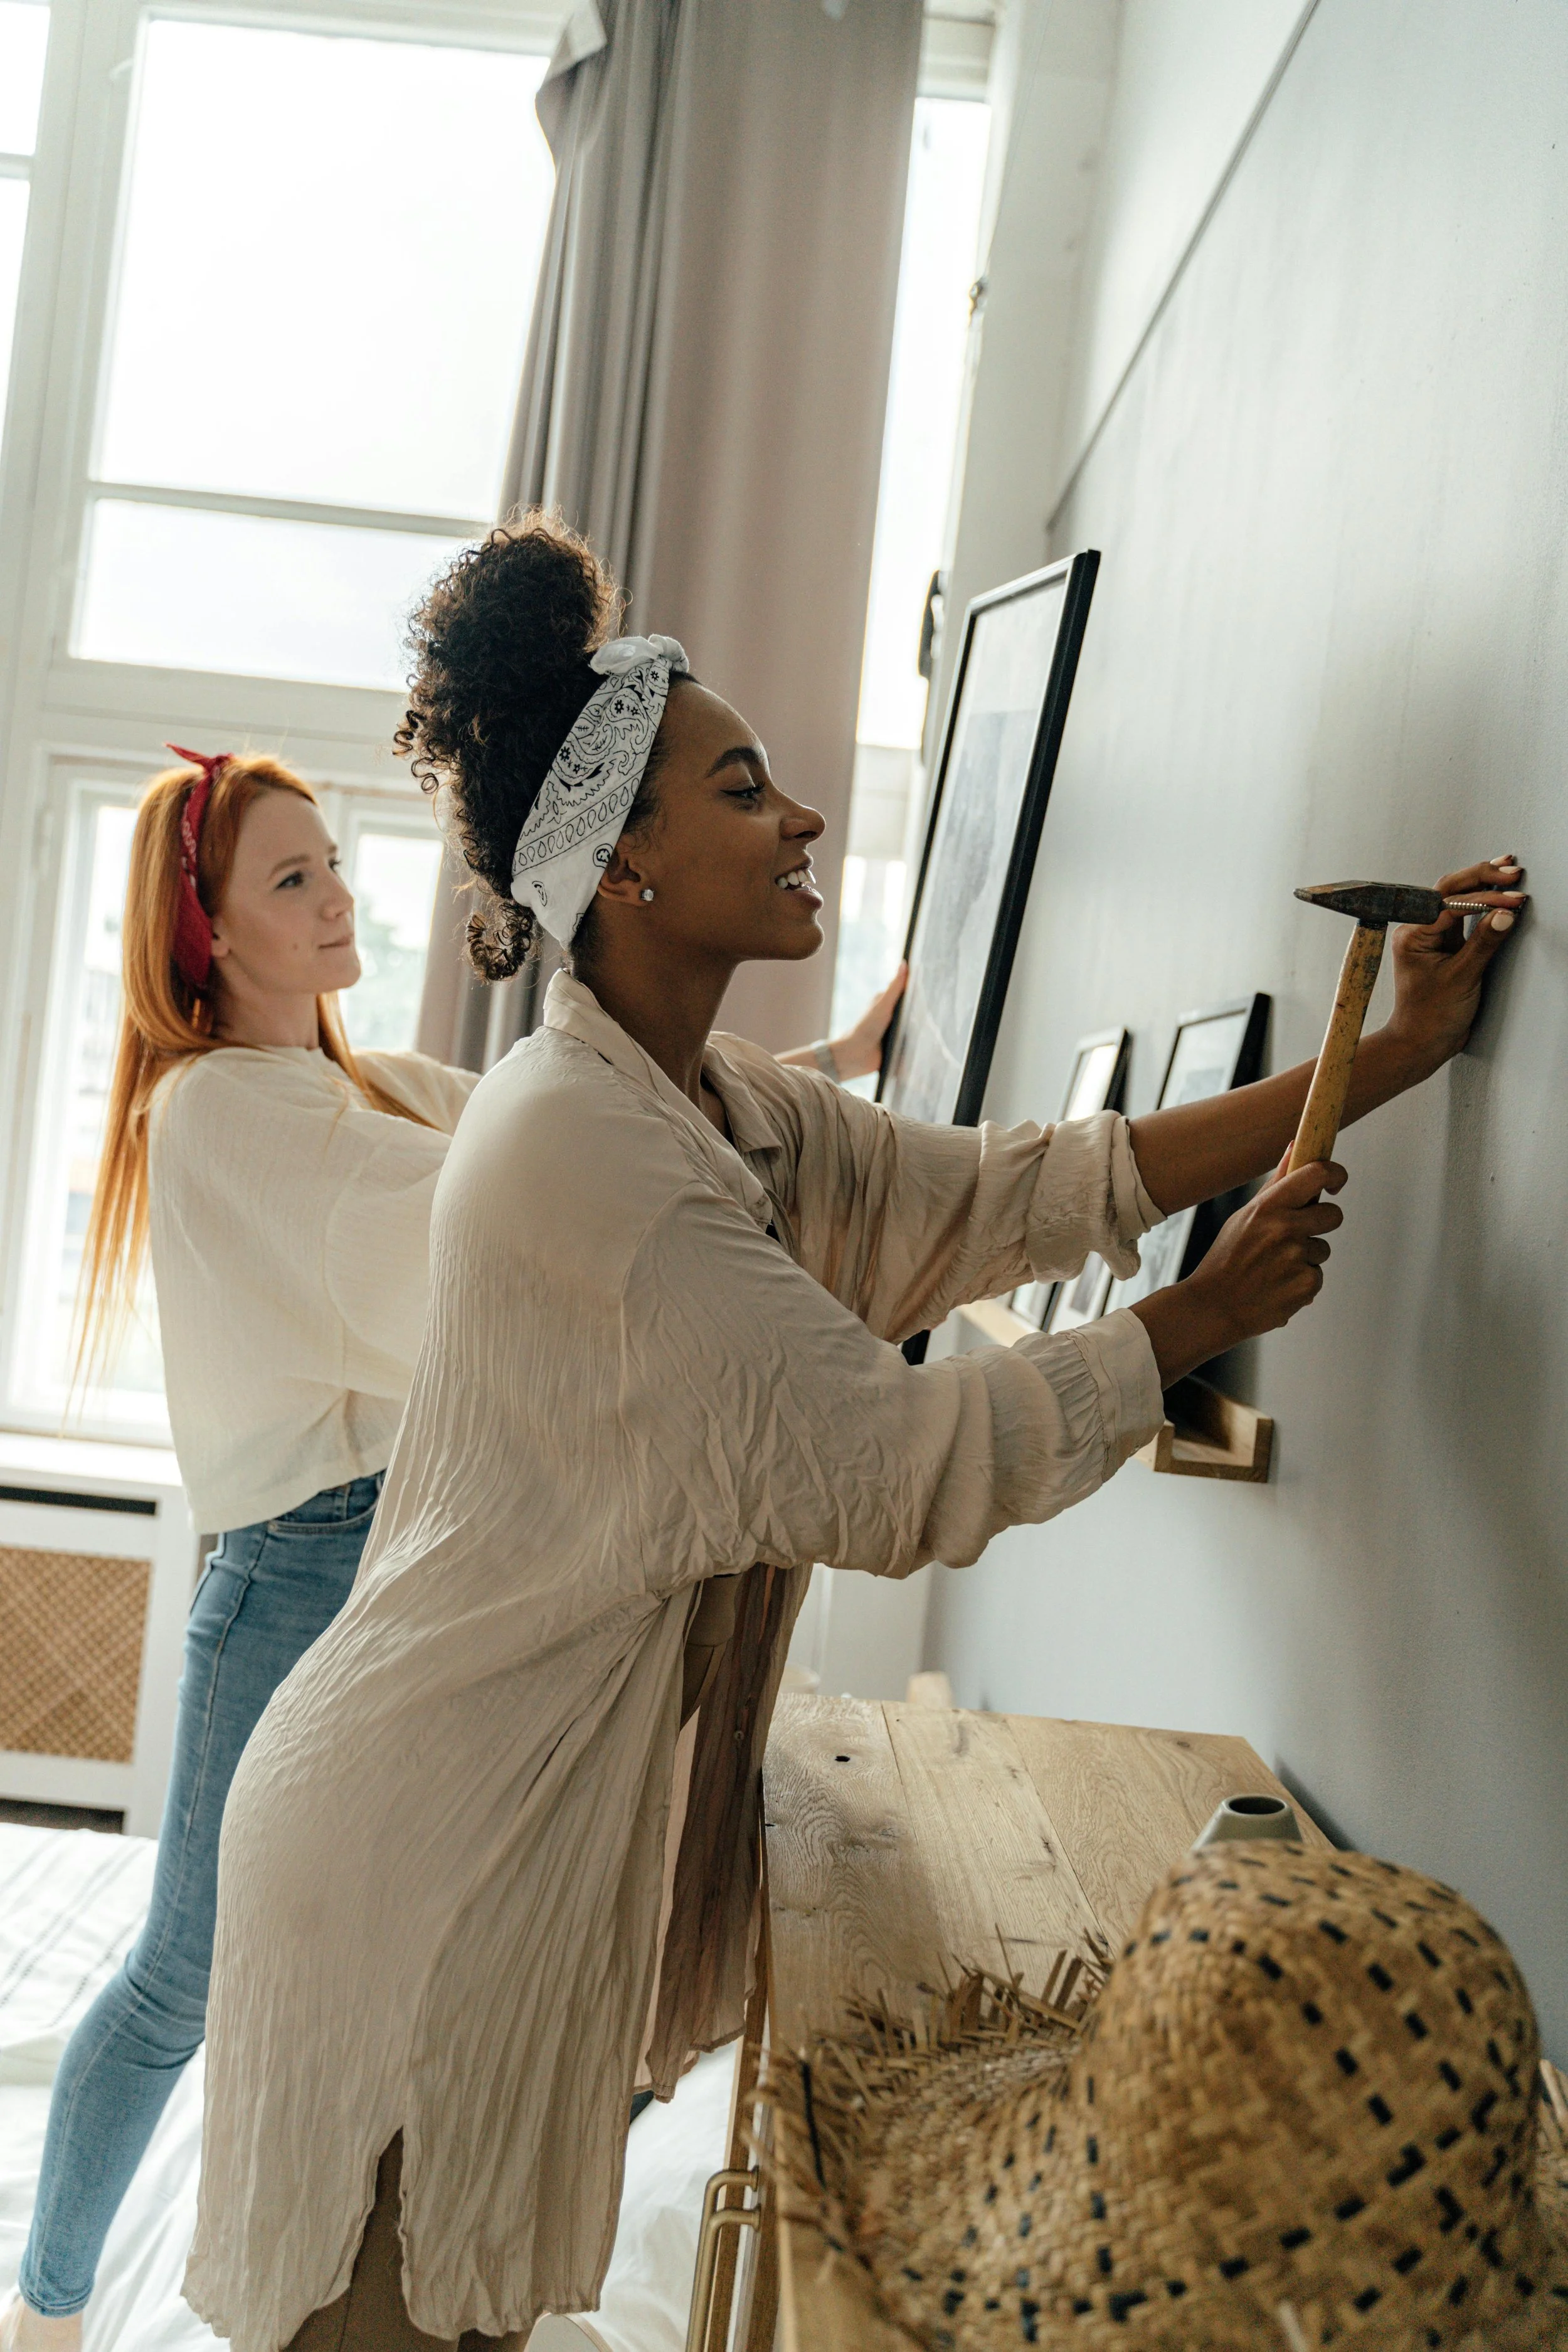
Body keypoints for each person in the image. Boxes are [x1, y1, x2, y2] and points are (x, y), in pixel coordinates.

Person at [181, 512, 1524, 2352]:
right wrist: (1192, 1324)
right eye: (746, 787)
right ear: (629, 856)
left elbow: (1020, 1185)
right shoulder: (580, 1147)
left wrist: (1375, 1065)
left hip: (468, 1814)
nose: (802, 818)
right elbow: (889, 1463)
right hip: (418, 1847)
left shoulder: (708, 1099)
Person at [1, 743, 898, 2352]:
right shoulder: (214, 1111)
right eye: (291, 880)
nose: (339, 893)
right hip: (295, 1573)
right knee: (187, 1974)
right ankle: (46, 2310)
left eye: (331, 859)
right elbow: (515, 1224)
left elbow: (594, 1141)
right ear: (206, 934)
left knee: (475, 1943)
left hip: (415, 1541)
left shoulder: (372, 1079)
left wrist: (828, 1068)